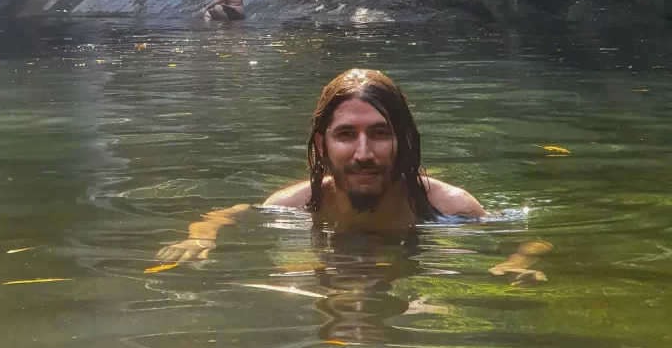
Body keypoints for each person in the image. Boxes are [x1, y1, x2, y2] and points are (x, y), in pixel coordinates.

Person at [154, 68, 488, 263]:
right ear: (321, 144)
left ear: (402, 141)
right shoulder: (295, 205)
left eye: (380, 133)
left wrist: (521, 260)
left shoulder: (453, 208)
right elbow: (232, 213)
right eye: (345, 134)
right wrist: (202, 235)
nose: (363, 153)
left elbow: (525, 243)